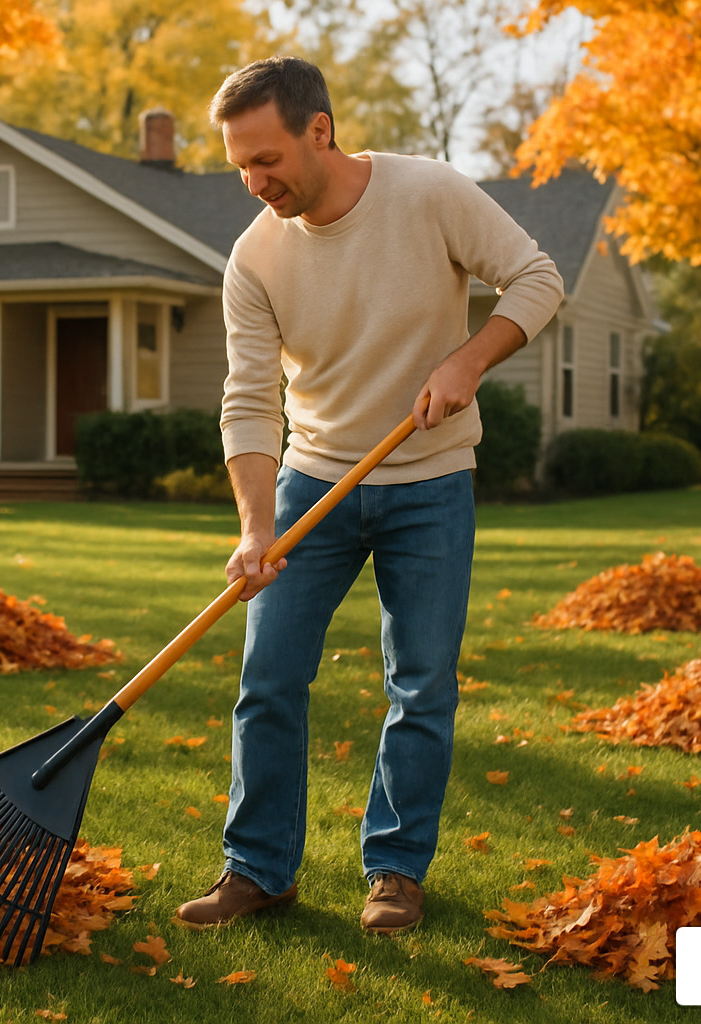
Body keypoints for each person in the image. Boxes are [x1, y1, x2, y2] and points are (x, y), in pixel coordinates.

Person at [173, 56, 565, 935]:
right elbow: (246, 396)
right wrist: (255, 528)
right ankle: (259, 868)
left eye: (266, 158)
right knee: (268, 679)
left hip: (430, 481)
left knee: (420, 685)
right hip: (313, 480)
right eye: (239, 163)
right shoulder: (256, 255)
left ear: (321, 130)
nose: (253, 181)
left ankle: (394, 871)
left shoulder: (429, 193)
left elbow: (537, 278)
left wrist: (467, 358)